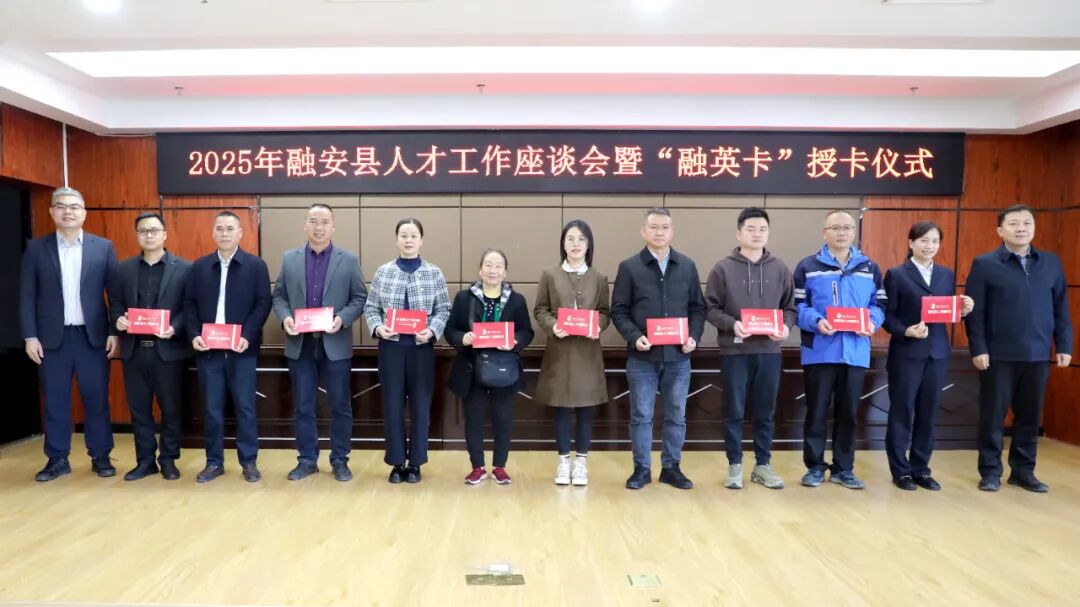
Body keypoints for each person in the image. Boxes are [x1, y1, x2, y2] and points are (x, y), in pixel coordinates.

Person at [965, 204, 1072, 493]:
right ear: (1000, 230)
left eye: (1027, 223)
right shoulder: (985, 264)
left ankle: (1023, 471)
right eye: (1014, 223)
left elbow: (1061, 307)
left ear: (1034, 228)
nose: (1021, 228)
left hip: (1037, 353)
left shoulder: (1050, 263)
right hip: (997, 354)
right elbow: (974, 312)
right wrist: (978, 348)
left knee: (1029, 417)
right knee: (992, 416)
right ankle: (990, 471)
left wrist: (1064, 344)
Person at [20, 186, 119, 482]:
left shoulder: (103, 247)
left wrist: (114, 331)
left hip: (93, 338)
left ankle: (100, 456)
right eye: (61, 206)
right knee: (55, 401)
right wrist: (30, 336)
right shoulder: (36, 249)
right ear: (52, 212)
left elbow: (115, 294)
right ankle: (57, 459)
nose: (68, 211)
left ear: (84, 213)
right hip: (51, 340)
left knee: (96, 399)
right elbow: (27, 295)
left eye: (74, 206)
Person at [611, 207, 706, 491]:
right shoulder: (629, 267)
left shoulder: (687, 266)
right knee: (641, 415)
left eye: (665, 227)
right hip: (642, 356)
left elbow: (697, 308)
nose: (659, 232)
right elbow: (619, 310)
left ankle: (671, 468)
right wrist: (634, 336)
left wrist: (694, 337)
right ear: (643, 231)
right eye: (653, 227)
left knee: (676, 414)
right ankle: (641, 469)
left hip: (679, 356)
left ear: (672, 231)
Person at [272, 203, 368, 482]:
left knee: (340, 406)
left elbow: (359, 298)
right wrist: (285, 318)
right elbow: (279, 296)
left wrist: (342, 319)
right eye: (313, 221)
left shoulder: (348, 260)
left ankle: (340, 459)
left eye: (324, 222)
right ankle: (306, 460)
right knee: (303, 406)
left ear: (333, 226)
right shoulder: (289, 258)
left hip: (335, 343)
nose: (319, 227)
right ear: (305, 225)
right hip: (300, 344)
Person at [793, 209, 885, 490]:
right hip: (820, 351)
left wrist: (871, 322)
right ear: (825, 233)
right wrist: (815, 321)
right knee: (817, 412)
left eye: (847, 227)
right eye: (835, 228)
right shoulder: (808, 266)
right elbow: (797, 306)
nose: (842, 232)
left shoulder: (869, 267)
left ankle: (844, 469)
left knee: (849, 413)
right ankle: (814, 467)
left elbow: (879, 305)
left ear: (854, 232)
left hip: (855, 352)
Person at [704, 207, 794, 490]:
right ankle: (735, 464)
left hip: (769, 351)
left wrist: (786, 327)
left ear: (769, 233)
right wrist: (733, 325)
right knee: (734, 411)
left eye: (762, 229)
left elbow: (790, 308)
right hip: (735, 352)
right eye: (751, 229)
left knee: (765, 411)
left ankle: (763, 465)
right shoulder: (722, 268)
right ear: (739, 233)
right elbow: (710, 308)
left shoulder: (780, 268)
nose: (757, 234)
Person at [882, 221, 973, 491]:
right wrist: (906, 331)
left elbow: (946, 311)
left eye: (934, 241)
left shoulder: (945, 274)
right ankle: (901, 471)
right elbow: (888, 316)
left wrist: (963, 310)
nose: (929, 246)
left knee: (928, 412)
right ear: (911, 243)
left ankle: (921, 469)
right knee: (901, 411)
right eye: (923, 240)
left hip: (938, 353)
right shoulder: (896, 274)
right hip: (907, 353)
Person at [183, 211, 272, 483]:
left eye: (230, 228)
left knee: (245, 407)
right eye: (220, 228)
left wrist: (248, 334)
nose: (224, 233)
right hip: (208, 351)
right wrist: (193, 334)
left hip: (242, 350)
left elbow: (263, 303)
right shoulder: (200, 266)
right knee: (212, 409)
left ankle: (249, 462)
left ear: (240, 233)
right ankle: (214, 462)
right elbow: (189, 304)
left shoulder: (255, 266)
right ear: (213, 233)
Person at [362, 218, 450, 484]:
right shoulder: (383, 272)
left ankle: (416, 463)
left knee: (421, 406)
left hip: (421, 349)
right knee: (392, 405)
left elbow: (443, 309)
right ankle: (397, 462)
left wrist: (432, 330)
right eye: (404, 235)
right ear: (396, 239)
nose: (408, 240)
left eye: (413, 236)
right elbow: (371, 308)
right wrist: (378, 328)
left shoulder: (434, 273)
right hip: (391, 349)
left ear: (421, 240)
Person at [110, 212, 193, 481]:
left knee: (171, 409)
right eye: (143, 231)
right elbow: (115, 304)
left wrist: (175, 327)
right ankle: (145, 461)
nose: (149, 235)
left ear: (165, 235)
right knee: (139, 410)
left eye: (154, 230)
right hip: (134, 350)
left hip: (169, 351)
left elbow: (190, 308)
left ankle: (168, 459)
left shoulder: (185, 268)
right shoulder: (123, 269)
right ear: (137, 235)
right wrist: (118, 320)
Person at [445, 248, 534, 485]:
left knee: (503, 420)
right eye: (488, 265)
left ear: (505, 272)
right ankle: (477, 467)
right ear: (480, 270)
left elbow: (526, 331)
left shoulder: (516, 300)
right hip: (471, 368)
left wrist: (515, 342)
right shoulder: (464, 298)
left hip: (504, 368)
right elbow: (450, 329)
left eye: (498, 266)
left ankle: (499, 467)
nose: (493, 270)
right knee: (473, 420)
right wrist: (462, 338)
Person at [533, 220, 610, 486]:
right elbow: (540, 309)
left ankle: (581, 463)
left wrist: (598, 326)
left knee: (586, 409)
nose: (576, 244)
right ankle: (564, 461)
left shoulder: (599, 278)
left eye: (581, 239)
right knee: (562, 409)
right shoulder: (550, 274)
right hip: (560, 352)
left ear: (589, 245)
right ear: (563, 244)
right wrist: (552, 325)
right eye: (570, 239)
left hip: (588, 353)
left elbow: (605, 312)